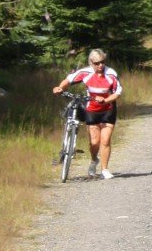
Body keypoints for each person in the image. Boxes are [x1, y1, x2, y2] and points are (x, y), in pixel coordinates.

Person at [52, 49, 123, 180]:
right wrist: (60, 87)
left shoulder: (111, 74)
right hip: (92, 110)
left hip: (108, 109)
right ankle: (93, 160)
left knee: (105, 140)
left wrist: (106, 100)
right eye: (97, 63)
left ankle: (105, 169)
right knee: (94, 142)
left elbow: (117, 92)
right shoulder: (85, 72)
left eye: (103, 62)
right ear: (91, 63)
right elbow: (68, 80)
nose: (100, 65)